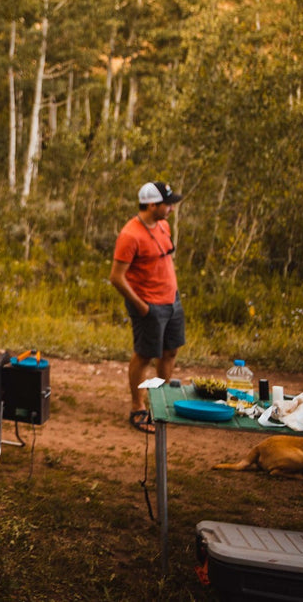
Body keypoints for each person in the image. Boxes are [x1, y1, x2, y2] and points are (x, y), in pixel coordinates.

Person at [109, 181, 185, 433]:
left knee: (170, 351)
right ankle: (137, 407)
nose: (171, 208)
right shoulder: (130, 235)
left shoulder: (163, 226)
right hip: (149, 305)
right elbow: (116, 277)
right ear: (152, 205)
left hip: (171, 300)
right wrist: (142, 307)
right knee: (144, 355)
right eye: (167, 204)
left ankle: (160, 402)